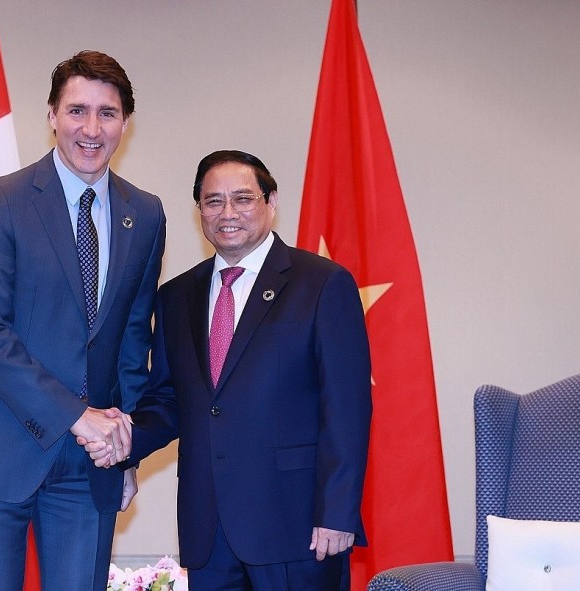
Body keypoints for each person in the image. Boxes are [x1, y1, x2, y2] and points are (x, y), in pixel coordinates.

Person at [0, 50, 166, 591]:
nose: (91, 128)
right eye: (77, 110)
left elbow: (132, 342)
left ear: (125, 123)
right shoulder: (4, 199)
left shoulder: (146, 212)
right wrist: (78, 416)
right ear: (52, 116)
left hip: (90, 466)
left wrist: (125, 448)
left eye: (107, 113)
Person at [83, 150, 372, 590]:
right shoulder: (176, 296)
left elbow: (347, 409)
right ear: (199, 209)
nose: (228, 213)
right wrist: (125, 443)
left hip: (297, 529)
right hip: (208, 531)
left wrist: (337, 512)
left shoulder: (322, 284)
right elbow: (169, 400)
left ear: (271, 201)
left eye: (243, 198)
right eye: (213, 201)